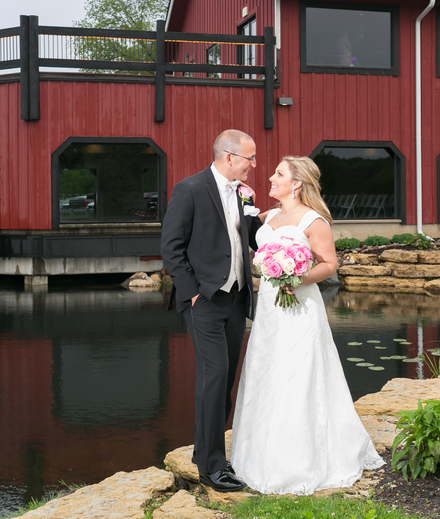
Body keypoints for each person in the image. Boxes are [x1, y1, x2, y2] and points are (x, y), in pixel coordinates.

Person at [230, 156, 385, 494]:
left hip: (300, 307)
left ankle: (302, 460)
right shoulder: (267, 217)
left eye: (279, 174)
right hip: (271, 308)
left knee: (299, 375)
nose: (270, 177)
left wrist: (298, 277)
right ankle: (259, 454)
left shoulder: (315, 221)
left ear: (296, 183)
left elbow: (329, 264)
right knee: (266, 372)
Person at [160, 129, 262, 493]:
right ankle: (212, 468)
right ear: (229, 156)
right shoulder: (189, 189)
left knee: (227, 377)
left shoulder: (242, 192)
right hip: (204, 300)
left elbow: (249, 238)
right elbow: (171, 247)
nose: (255, 164)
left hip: (236, 299)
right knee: (214, 375)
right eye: (250, 158)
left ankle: (205, 448)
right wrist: (192, 295)